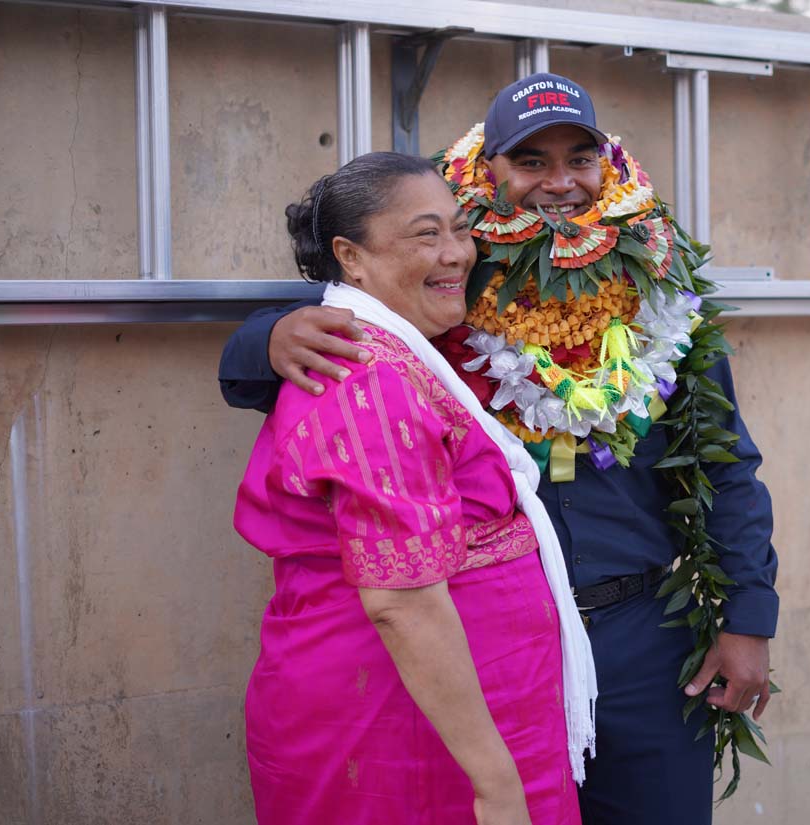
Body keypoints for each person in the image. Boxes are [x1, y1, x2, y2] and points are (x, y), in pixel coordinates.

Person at [221, 75, 778, 825]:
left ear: (607, 166)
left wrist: (748, 616)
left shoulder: (659, 297)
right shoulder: (458, 279)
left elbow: (725, 464)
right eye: (531, 161)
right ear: (490, 174)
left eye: (579, 159)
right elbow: (357, 310)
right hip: (498, 654)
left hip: (642, 637)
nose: (560, 182)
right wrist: (268, 336)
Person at [233, 151, 596, 825]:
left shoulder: (404, 350)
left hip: (462, 713)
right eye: (426, 235)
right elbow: (402, 604)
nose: (455, 252)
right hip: (400, 727)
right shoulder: (368, 376)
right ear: (351, 256)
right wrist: (495, 783)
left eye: (459, 228)